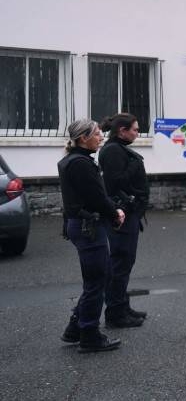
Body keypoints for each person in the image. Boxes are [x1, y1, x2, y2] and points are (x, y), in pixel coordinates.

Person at [58, 119, 125, 353]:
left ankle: (75, 328)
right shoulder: (80, 163)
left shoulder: (72, 160)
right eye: (97, 134)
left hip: (82, 225)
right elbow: (96, 196)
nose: (101, 137)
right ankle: (89, 335)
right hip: (89, 227)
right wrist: (115, 212)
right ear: (84, 138)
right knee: (97, 282)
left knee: (95, 280)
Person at [98, 113, 150, 328]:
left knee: (124, 262)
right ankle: (115, 314)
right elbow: (114, 182)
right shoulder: (112, 150)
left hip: (129, 213)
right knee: (120, 262)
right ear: (122, 130)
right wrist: (135, 164)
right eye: (135, 129)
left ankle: (122, 306)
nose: (138, 133)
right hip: (122, 214)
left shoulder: (118, 149)